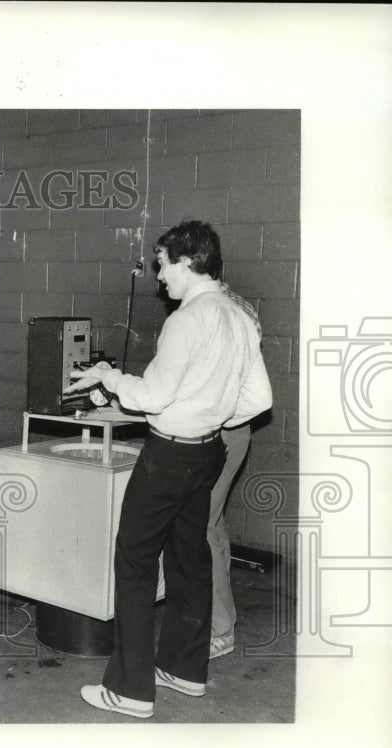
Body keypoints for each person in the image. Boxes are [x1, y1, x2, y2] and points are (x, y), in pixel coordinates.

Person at [70, 220, 271, 718]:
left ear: (186, 262)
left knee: (135, 564)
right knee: (190, 561)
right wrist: (210, 414)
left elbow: (152, 395)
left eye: (162, 263)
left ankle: (131, 691)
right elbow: (259, 399)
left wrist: (108, 376)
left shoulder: (187, 319)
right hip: (208, 454)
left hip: (170, 456)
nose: (159, 276)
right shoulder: (239, 317)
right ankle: (184, 670)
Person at [207, 283, 263, 660]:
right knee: (212, 524)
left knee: (201, 526)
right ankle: (218, 619)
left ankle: (220, 630)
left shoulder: (222, 313)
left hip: (222, 436)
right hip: (228, 434)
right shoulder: (231, 306)